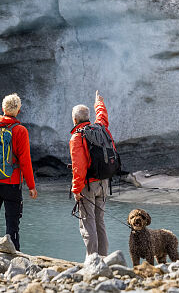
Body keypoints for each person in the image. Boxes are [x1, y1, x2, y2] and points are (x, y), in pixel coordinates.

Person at [0, 92, 37, 254]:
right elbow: (25, 161)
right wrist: (31, 186)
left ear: (2, 108)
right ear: (18, 110)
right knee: (12, 222)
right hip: (12, 183)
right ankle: (14, 255)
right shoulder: (19, 130)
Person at [70, 90, 110, 257]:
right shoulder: (100, 128)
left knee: (88, 222)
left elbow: (78, 166)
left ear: (75, 120)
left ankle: (92, 259)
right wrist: (98, 103)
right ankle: (104, 258)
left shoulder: (77, 137)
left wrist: (76, 189)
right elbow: (102, 117)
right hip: (104, 182)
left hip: (88, 185)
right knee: (100, 221)